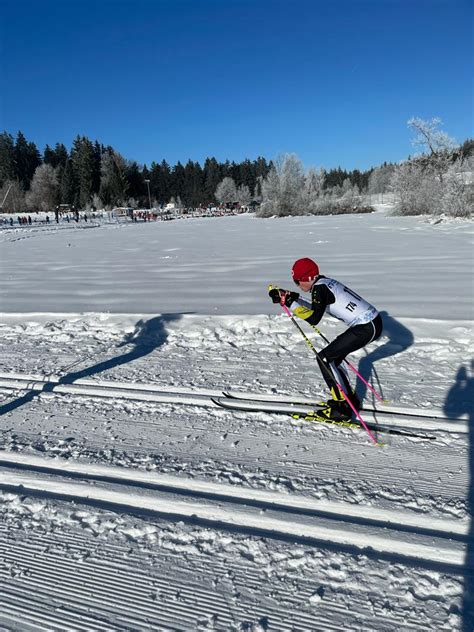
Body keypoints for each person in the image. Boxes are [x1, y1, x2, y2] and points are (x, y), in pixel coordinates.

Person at [269, 257, 383, 421]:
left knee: (324, 358)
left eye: (297, 281)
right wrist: (291, 298)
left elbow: (314, 317)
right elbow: (316, 305)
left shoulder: (319, 288)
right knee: (333, 358)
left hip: (366, 327)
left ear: (308, 278)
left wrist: (291, 303)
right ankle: (348, 400)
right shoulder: (323, 283)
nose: (298, 286)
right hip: (371, 324)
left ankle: (342, 408)